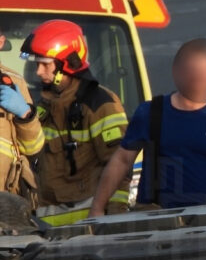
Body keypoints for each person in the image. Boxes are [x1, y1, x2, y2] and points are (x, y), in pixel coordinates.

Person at [90, 38, 206, 217]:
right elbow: (122, 160)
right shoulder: (150, 112)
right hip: (152, 216)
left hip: (204, 218)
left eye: (204, 74)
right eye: (193, 72)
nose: (197, 79)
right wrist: (98, 207)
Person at [22, 19, 130, 225]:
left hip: (87, 226)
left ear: (67, 64)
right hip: (47, 225)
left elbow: (119, 164)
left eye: (45, 64)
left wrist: (114, 217)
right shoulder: (46, 106)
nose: (38, 72)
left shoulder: (100, 104)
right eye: (37, 64)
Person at [0, 26, 44, 203]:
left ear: (1, 42)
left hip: (6, 201)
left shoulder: (13, 82)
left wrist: (25, 115)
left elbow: (34, 148)